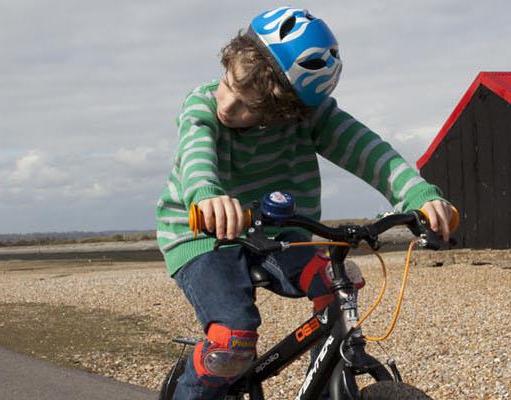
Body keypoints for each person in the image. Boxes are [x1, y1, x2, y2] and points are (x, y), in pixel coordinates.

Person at [153, 8, 455, 399]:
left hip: (280, 234)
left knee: (338, 280)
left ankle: (326, 384)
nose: (227, 105)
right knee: (232, 341)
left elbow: (369, 151)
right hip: (202, 235)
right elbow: (196, 155)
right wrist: (207, 195)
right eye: (228, 84)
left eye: (249, 106)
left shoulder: (309, 116)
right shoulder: (203, 105)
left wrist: (416, 194)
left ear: (287, 112)